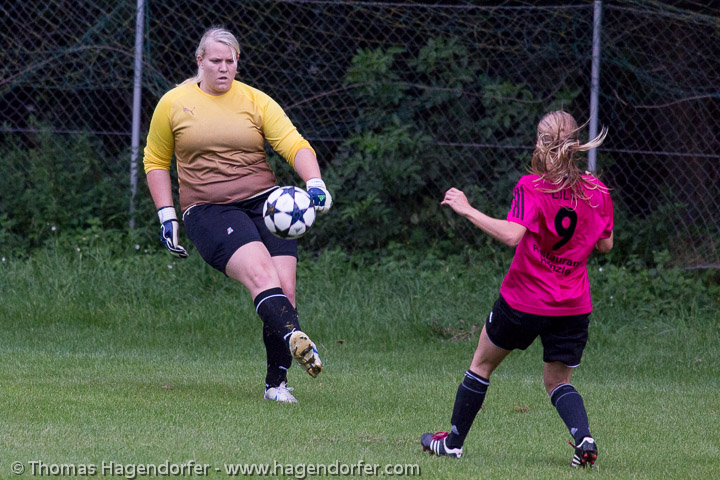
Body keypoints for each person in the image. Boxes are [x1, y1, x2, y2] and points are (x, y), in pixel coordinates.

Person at [143, 27, 333, 404]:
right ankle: (294, 337)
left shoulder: (254, 100)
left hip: (267, 204)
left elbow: (293, 143)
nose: (223, 68)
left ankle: (276, 385)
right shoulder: (174, 103)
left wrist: (315, 182)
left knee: (285, 290)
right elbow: (155, 160)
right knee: (262, 274)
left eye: (230, 61)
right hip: (209, 209)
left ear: (237, 62)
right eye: (215, 61)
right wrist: (167, 215)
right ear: (200, 61)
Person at [421, 111, 613, 467]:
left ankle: (452, 444)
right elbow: (605, 244)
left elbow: (512, 235)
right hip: (572, 306)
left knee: (481, 364)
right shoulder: (598, 191)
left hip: (524, 300)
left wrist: (467, 209)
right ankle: (584, 438)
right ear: (575, 146)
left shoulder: (531, 186)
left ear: (540, 143)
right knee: (558, 382)